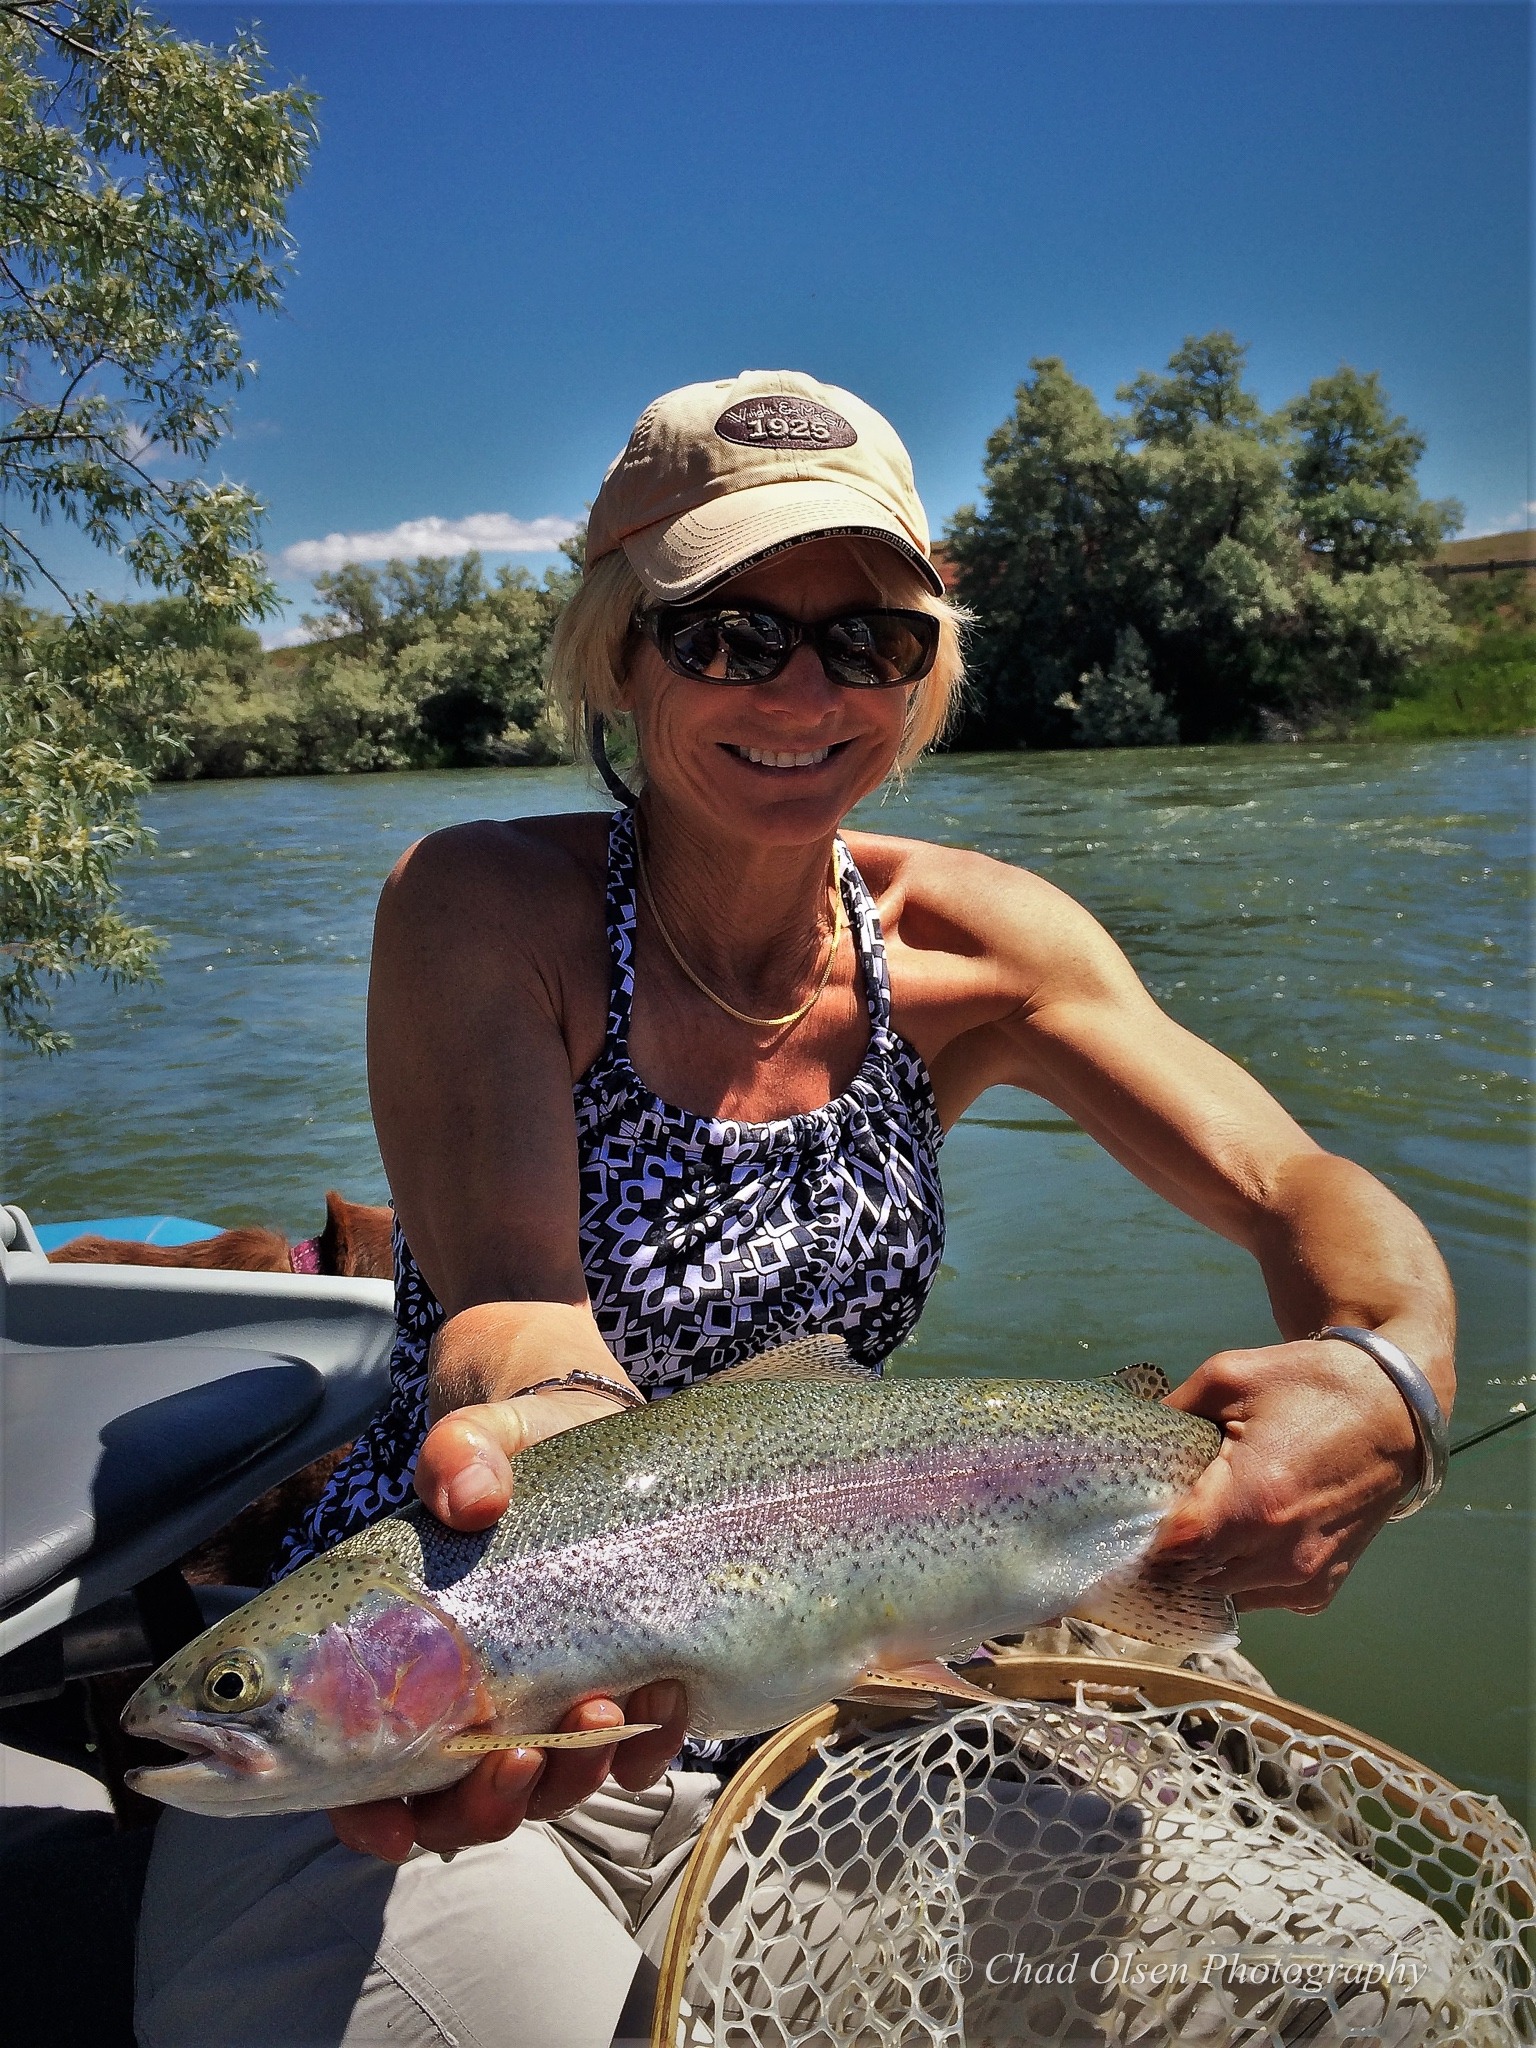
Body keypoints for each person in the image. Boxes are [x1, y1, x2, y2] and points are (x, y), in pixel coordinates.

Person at [135, 371, 1456, 2048]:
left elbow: (1294, 1183)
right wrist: (543, 1435)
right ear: (622, 649)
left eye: (870, 640)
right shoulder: (486, 907)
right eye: (733, 634)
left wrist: (1391, 1365)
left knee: (1356, 1998)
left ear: (924, 669)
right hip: (479, 1641)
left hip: (868, 1649)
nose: (806, 688)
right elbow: (510, 1309)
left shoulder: (987, 945)